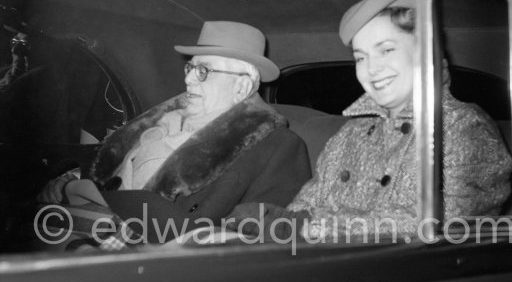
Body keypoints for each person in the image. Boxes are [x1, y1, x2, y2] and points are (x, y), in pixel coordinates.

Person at [230, 0, 512, 241]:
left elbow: (443, 229)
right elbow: (304, 207)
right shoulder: (350, 133)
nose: (372, 69)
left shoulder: (463, 127)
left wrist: (299, 226)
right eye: (361, 57)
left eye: (387, 50)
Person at [36, 21, 311, 249]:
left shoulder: (277, 146)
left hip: (153, 257)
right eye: (190, 68)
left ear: (241, 86)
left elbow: (267, 238)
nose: (189, 79)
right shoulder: (161, 122)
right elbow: (104, 166)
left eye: (203, 71)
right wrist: (71, 178)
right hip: (79, 229)